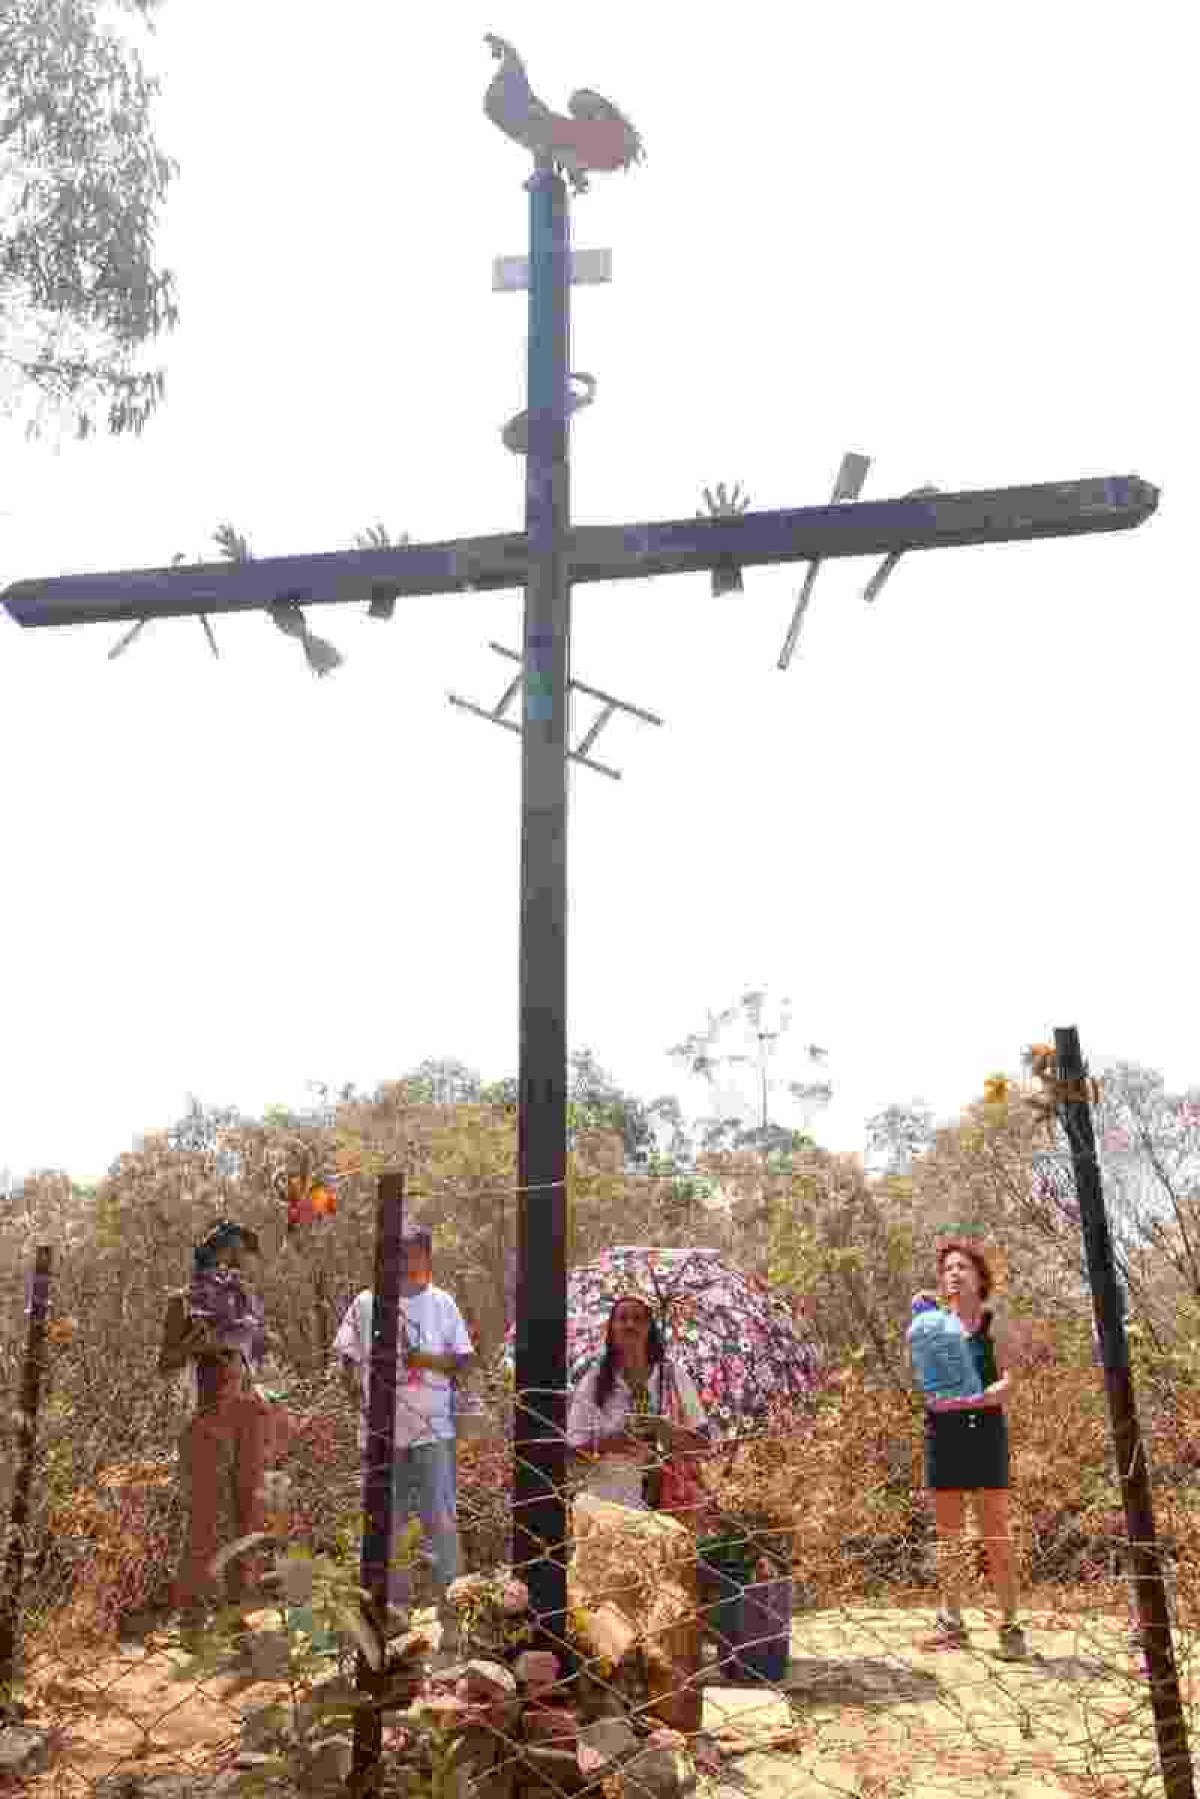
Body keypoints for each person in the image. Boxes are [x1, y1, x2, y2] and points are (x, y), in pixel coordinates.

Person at [333, 1226, 474, 1622]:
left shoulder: (442, 1302)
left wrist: (424, 1360)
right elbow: (345, 1358)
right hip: (382, 1433)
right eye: (398, 1254)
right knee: (387, 1523)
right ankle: (391, 1611)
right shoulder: (366, 1302)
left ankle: (456, 1607)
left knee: (441, 1518)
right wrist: (357, 1399)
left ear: (426, 1256)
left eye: (412, 1253)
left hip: (433, 1429)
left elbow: (463, 1359)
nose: (404, 1262)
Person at [913, 1242, 1027, 1659]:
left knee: (996, 1534)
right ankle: (952, 1622)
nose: (954, 1274)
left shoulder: (994, 1324)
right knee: (949, 1536)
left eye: (963, 1267)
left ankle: (1010, 1627)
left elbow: (1010, 1382)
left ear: (980, 1276)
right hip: (944, 1434)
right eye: (947, 1268)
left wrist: (974, 1400)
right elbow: (926, 1381)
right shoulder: (933, 1325)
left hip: (984, 1432)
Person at [159, 1219, 274, 1623]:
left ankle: (237, 1605)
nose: (241, 1257)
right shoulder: (185, 1299)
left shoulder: (246, 1299)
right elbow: (167, 1361)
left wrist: (259, 1351)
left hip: (247, 1409)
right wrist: (199, 1344)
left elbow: (258, 1354)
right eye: (238, 1248)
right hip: (206, 1411)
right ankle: (191, 1611)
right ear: (221, 1249)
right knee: (205, 1512)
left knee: (249, 1507)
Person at [566, 1294, 708, 1510]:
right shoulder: (594, 1382)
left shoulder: (672, 1377)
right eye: (622, 1318)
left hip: (668, 1505)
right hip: (608, 1506)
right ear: (611, 1328)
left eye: (638, 1318)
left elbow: (703, 1444)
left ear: (650, 1328)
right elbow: (572, 1450)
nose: (630, 1324)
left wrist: (665, 1430)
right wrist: (611, 1441)